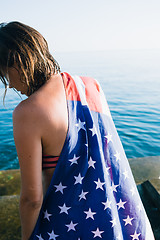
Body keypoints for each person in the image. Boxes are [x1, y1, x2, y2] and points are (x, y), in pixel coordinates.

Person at [0, 22, 154, 240]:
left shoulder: (27, 113)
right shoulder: (91, 86)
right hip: (115, 218)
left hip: (70, 225)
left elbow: (32, 199)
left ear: (17, 62)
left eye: (4, 74)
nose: (9, 85)